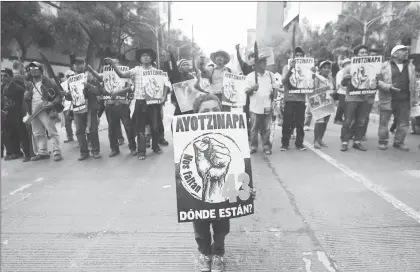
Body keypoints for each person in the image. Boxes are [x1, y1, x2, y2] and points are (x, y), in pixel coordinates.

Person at [190, 93, 257, 272]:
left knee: (221, 227)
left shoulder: (233, 133)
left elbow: (240, 165)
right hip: (199, 195)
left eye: (215, 110)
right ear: (195, 115)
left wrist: (245, 187)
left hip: (225, 193)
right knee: (200, 228)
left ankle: (218, 253)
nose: (211, 114)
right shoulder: (187, 138)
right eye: (205, 111)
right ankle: (205, 253)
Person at [106, 48, 170, 160]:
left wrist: (164, 96)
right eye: (143, 55)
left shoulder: (157, 72)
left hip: (153, 104)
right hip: (140, 102)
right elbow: (121, 75)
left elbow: (165, 85)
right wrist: (113, 65)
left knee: (155, 127)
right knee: (140, 128)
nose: (145, 57)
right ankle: (141, 151)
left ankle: (155, 147)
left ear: (151, 58)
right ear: (140, 59)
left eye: (148, 55)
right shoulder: (136, 70)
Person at [86, 61, 138, 158]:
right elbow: (98, 76)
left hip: (122, 104)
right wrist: (91, 69)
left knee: (128, 127)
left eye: (113, 62)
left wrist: (118, 92)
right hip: (110, 105)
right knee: (112, 129)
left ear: (117, 64)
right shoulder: (106, 74)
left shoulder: (125, 73)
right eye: (110, 63)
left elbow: (131, 87)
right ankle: (114, 149)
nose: (111, 64)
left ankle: (133, 148)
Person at [377, 45, 419, 151]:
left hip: (405, 100)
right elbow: (377, 81)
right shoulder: (384, 66)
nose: (406, 52)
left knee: (404, 123)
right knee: (384, 122)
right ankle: (383, 141)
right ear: (394, 54)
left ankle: (399, 142)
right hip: (388, 99)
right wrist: (389, 87)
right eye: (403, 51)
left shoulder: (411, 66)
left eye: (406, 51)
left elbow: (414, 83)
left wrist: (415, 98)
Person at [23, 61, 63, 161]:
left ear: (40, 70)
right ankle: (43, 152)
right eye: (31, 69)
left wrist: (52, 103)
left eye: (35, 68)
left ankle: (57, 151)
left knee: (51, 131)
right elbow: (27, 97)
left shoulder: (49, 82)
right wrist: (26, 96)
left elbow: (58, 95)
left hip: (45, 109)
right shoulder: (29, 84)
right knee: (37, 132)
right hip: (33, 110)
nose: (33, 71)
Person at [64, 57, 103, 160]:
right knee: (79, 131)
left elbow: (99, 91)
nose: (78, 66)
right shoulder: (70, 80)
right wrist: (66, 94)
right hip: (77, 109)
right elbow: (70, 97)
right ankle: (84, 152)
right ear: (72, 66)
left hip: (90, 107)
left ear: (84, 65)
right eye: (76, 64)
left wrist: (88, 85)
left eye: (80, 63)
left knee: (92, 130)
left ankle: (95, 151)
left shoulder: (91, 77)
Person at [340, 44, 373, 152]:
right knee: (348, 121)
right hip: (352, 98)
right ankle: (344, 142)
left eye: (365, 53)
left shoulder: (372, 67)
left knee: (361, 121)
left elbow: (374, 82)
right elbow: (343, 84)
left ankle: (357, 141)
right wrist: (345, 79)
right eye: (361, 53)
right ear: (356, 55)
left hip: (365, 98)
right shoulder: (349, 68)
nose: (364, 54)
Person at [244, 52, 279, 155]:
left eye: (265, 61)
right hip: (255, 107)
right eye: (262, 61)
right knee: (254, 128)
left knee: (266, 129)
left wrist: (274, 95)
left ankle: (266, 146)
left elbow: (275, 90)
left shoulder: (271, 75)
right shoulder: (250, 76)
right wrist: (252, 88)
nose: (265, 63)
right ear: (257, 64)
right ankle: (253, 146)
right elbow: (246, 91)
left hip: (267, 106)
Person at [281, 46, 309, 151]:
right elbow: (283, 81)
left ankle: (299, 143)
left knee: (300, 123)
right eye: (297, 55)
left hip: (301, 99)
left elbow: (310, 83)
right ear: (292, 57)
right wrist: (291, 69)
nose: (299, 57)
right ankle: (284, 143)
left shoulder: (306, 68)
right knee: (287, 122)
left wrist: (313, 73)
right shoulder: (286, 67)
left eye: (301, 55)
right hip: (290, 99)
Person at [1, 68, 31, 162]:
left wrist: (24, 113)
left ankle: (27, 153)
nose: (2, 78)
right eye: (1, 76)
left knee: (22, 133)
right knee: (10, 133)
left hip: (17, 114)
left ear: (10, 76)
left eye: (5, 75)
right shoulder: (2, 87)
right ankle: (16, 152)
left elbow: (23, 102)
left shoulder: (18, 88)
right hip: (7, 114)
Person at [313, 60, 334, 149]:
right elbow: (313, 90)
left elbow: (333, 89)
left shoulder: (331, 78)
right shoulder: (316, 78)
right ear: (320, 69)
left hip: (328, 101)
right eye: (324, 68)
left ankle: (320, 139)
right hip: (318, 101)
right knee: (320, 122)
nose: (327, 69)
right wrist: (326, 90)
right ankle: (315, 141)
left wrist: (332, 91)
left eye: (328, 68)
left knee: (325, 122)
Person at [334, 58, 351, 125]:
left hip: (349, 92)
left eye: (349, 63)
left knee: (347, 106)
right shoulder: (340, 73)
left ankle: (343, 119)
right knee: (342, 106)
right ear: (344, 65)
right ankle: (337, 119)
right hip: (342, 92)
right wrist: (346, 87)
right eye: (347, 64)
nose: (348, 65)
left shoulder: (351, 72)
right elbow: (339, 83)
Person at [61, 70, 75, 143]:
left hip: (76, 105)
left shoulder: (76, 83)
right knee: (67, 123)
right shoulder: (63, 84)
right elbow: (60, 94)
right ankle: (70, 137)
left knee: (79, 124)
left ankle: (82, 138)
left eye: (72, 75)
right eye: (69, 76)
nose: (70, 77)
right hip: (66, 106)